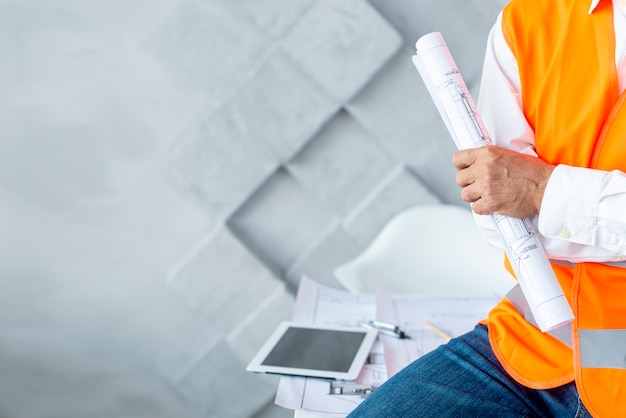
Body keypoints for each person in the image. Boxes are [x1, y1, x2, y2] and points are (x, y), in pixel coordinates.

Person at [347, 0, 626, 416]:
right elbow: (499, 214)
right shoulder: (529, 19)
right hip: (533, 350)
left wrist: (544, 191)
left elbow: (521, 193)